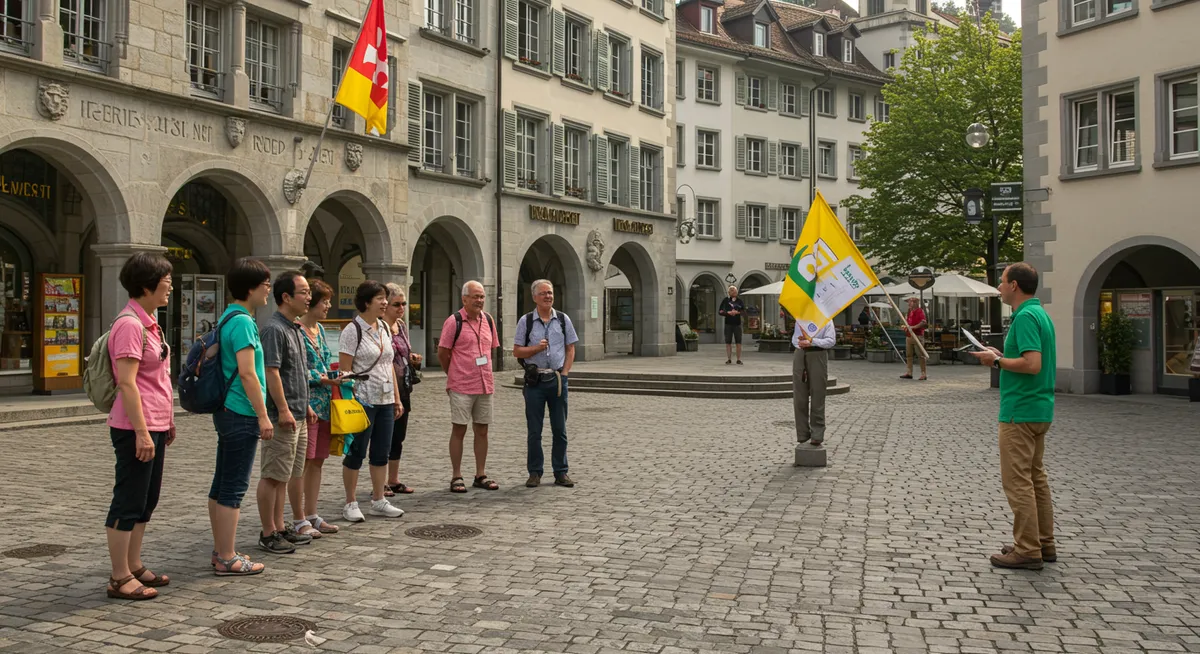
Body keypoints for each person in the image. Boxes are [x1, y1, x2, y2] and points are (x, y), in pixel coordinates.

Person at [975, 262, 1057, 571]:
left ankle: (1027, 549)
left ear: (1015, 286)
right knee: (1036, 478)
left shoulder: (1023, 317)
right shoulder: (1041, 314)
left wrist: (996, 362)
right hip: (1039, 408)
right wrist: (1000, 355)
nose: (998, 287)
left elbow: (1032, 363)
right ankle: (1042, 542)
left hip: (1019, 410)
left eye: (1002, 282)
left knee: (1018, 481)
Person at [104, 252, 175, 600]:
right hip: (134, 427)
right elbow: (128, 383)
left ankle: (133, 563)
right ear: (147, 285)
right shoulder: (130, 324)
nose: (170, 288)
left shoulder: (149, 321)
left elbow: (158, 377)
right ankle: (119, 577)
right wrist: (144, 431)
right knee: (128, 500)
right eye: (166, 282)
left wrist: (167, 420)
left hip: (154, 423)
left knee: (147, 500)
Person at [209, 257, 271, 577]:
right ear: (250, 288)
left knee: (221, 485)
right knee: (233, 487)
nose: (268, 290)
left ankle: (221, 549)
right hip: (242, 411)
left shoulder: (227, 317)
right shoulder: (244, 322)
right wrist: (263, 416)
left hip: (226, 410)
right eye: (265, 284)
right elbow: (248, 374)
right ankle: (228, 556)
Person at [256, 271, 315, 555]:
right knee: (272, 474)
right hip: (283, 416)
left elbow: (298, 373)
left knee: (287, 474)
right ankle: (268, 532)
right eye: (303, 292)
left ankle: (280, 527)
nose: (309, 297)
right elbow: (271, 371)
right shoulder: (274, 329)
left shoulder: (295, 327)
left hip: (298, 412)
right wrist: (282, 409)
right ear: (286, 297)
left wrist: (306, 405)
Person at [339, 280, 405, 522]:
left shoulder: (385, 328)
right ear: (366, 302)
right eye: (380, 298)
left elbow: (389, 366)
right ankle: (350, 502)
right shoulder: (352, 331)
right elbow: (345, 373)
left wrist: (396, 399)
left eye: (385, 298)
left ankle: (379, 499)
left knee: (381, 452)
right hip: (362, 400)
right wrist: (352, 401)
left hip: (385, 399)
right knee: (357, 452)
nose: (385, 303)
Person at [289, 279, 344, 538]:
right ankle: (298, 518)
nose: (328, 306)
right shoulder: (296, 330)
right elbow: (297, 368)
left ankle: (312, 513)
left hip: (325, 404)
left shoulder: (320, 330)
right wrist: (322, 377)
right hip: (307, 404)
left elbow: (325, 361)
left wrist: (337, 375)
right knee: (303, 462)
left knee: (318, 461)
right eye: (325, 301)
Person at [512, 279, 578, 489]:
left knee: (560, 429)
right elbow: (517, 351)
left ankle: (561, 471)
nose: (548, 296)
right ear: (534, 297)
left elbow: (570, 348)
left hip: (558, 380)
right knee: (534, 430)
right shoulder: (526, 321)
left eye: (550, 293)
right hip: (535, 382)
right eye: (543, 293)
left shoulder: (563, 320)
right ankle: (535, 472)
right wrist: (535, 349)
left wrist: (565, 373)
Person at [437, 280, 500, 493]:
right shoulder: (454, 321)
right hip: (461, 384)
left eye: (482, 297)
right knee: (459, 429)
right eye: (475, 297)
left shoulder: (488, 320)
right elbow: (443, 352)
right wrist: (453, 373)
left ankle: (480, 474)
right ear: (464, 299)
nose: (479, 301)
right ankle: (456, 476)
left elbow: (491, 349)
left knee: (482, 430)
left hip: (484, 384)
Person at [384, 283, 422, 496]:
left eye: (403, 304)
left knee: (399, 435)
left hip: (403, 386)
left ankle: (394, 479)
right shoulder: (380, 327)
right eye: (396, 304)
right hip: (386, 387)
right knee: (383, 435)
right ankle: (380, 482)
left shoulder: (401, 326)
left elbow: (402, 353)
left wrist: (412, 358)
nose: (401, 308)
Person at [792, 319, 836, 447]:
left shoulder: (826, 319)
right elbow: (794, 339)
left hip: (818, 354)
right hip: (800, 354)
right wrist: (800, 341)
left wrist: (811, 341)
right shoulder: (800, 319)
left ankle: (817, 434)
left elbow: (830, 341)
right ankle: (802, 433)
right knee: (799, 396)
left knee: (818, 394)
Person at [900, 297, 928, 381]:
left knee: (920, 355)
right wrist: (905, 327)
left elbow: (923, 322)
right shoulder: (909, 312)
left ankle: (923, 373)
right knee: (909, 355)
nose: (909, 304)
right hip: (909, 335)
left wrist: (913, 327)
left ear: (915, 303)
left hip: (917, 335)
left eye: (910, 302)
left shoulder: (919, 311)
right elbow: (908, 322)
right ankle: (909, 372)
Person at [718, 285, 745, 365]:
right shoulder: (725, 301)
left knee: (738, 342)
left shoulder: (740, 301)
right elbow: (720, 311)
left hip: (737, 324)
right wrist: (727, 313)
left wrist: (737, 312)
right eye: (732, 290)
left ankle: (738, 359)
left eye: (735, 290)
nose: (734, 292)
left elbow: (744, 312)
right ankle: (729, 359)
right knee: (728, 342)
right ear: (729, 292)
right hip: (728, 324)